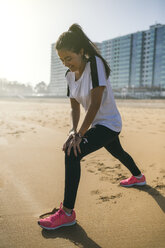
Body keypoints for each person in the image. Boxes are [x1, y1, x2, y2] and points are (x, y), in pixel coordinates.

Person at [38, 23, 146, 230]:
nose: (65, 63)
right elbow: (75, 108)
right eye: (61, 59)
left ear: (81, 51)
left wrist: (79, 135)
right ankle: (139, 177)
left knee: (72, 152)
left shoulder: (94, 63)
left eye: (68, 58)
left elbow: (95, 104)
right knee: (118, 152)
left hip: (109, 123)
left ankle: (67, 213)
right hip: (96, 123)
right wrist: (72, 130)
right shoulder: (69, 76)